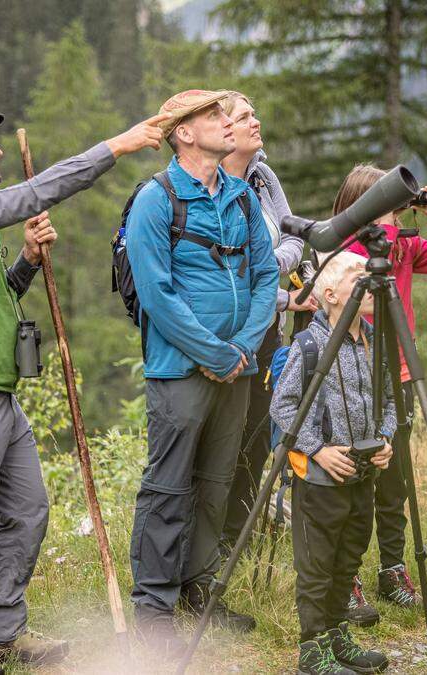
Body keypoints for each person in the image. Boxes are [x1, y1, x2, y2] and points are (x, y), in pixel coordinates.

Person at [0, 95, 167, 675]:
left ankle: (1, 634)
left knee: (28, 513)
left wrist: (25, 260)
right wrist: (117, 145)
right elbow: (34, 192)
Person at [124, 89, 278, 653]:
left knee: (216, 480)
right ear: (184, 133)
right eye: (213, 115)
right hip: (179, 369)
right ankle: (153, 604)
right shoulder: (155, 199)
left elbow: (266, 279)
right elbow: (158, 295)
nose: (224, 121)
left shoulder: (241, 199)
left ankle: (200, 586)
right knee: (168, 483)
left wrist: (241, 346)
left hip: (237, 365)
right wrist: (214, 353)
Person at [336, 165, 427, 626]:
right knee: (354, 476)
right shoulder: (350, 249)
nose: (397, 209)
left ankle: (392, 571)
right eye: (387, 200)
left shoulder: (407, 248)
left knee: (395, 479)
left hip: (397, 373)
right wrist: (385, 228)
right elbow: (355, 263)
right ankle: (345, 579)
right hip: (355, 373)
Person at [269, 251, 394, 675]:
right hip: (320, 480)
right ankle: (312, 648)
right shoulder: (309, 344)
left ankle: (338, 634)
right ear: (329, 293)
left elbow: (392, 402)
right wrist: (316, 448)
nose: (367, 279)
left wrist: (386, 439)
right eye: (356, 274)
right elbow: (283, 407)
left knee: (349, 557)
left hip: (362, 475)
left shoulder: (376, 342)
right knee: (318, 565)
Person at [217, 91, 318, 554]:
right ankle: (210, 548)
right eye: (245, 117)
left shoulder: (262, 176)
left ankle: (239, 539)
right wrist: (281, 295)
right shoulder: (210, 186)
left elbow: (293, 235)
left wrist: (267, 270)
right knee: (223, 442)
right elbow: (222, 273)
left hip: (266, 333)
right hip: (228, 330)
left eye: (255, 113)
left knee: (257, 439)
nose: (256, 122)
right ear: (223, 130)